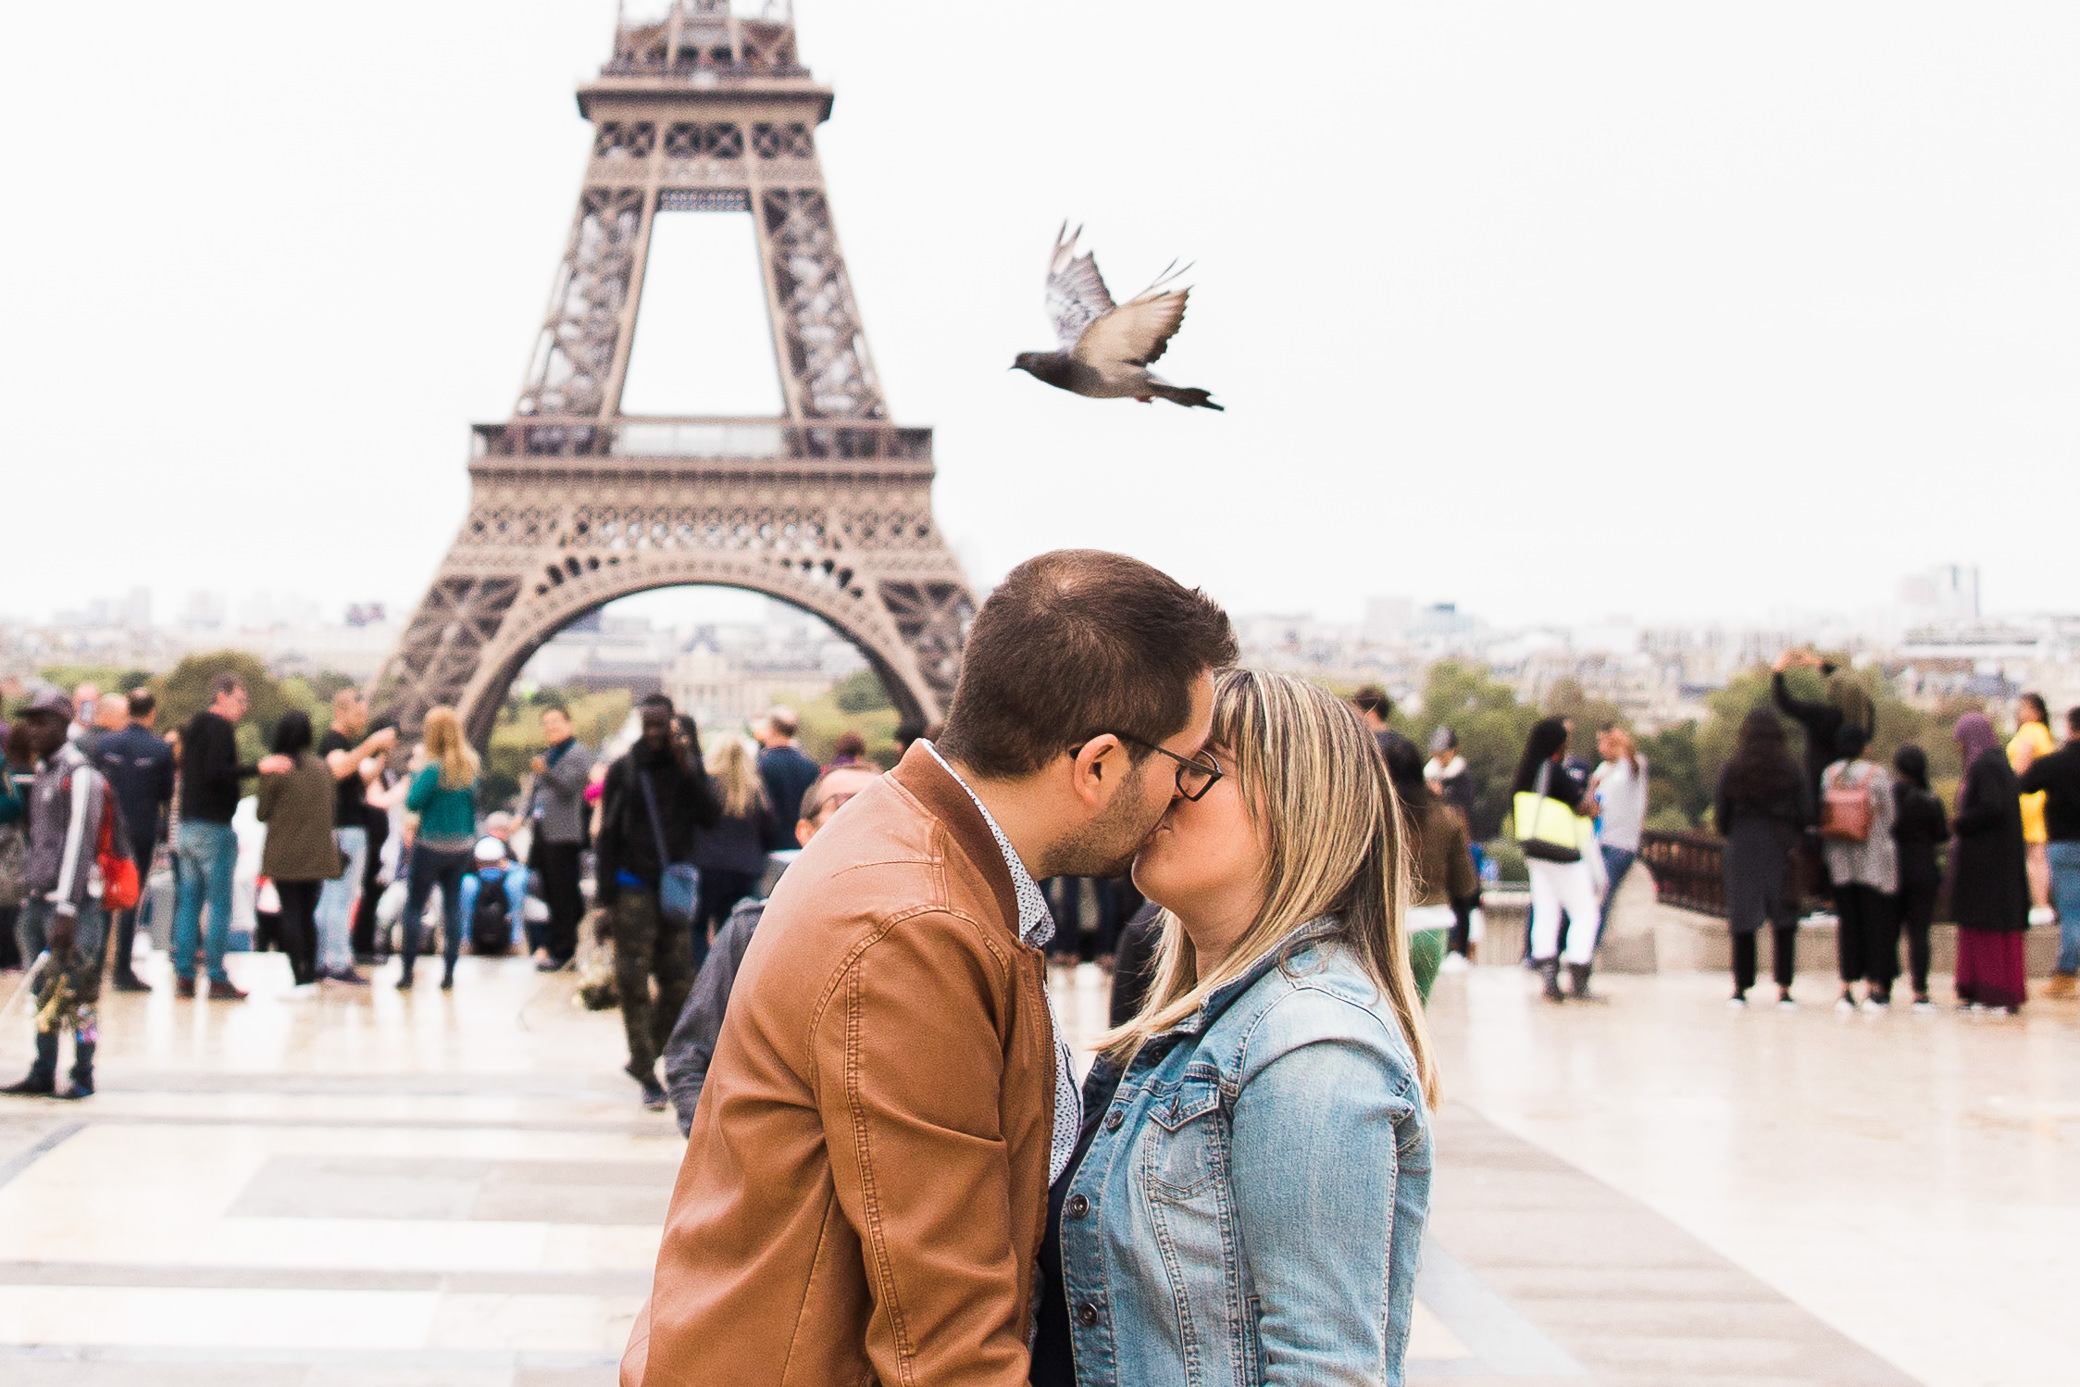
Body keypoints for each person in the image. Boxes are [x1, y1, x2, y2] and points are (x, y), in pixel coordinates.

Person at [624, 549, 1236, 1386]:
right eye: (1188, 763)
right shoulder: (917, 927)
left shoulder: (911, 847)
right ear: (1095, 765)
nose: (1187, 792)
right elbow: (947, 1351)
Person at [1031, 669, 1436, 1387]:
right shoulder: (1195, 1030)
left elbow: (1325, 1370)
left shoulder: (1311, 1046)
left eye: (1197, 771)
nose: (1157, 791)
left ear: (1295, 806)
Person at [663, 762, 881, 1135]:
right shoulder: (753, 931)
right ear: (805, 831)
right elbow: (690, 1055)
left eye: (882, 806)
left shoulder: (932, 938)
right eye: (845, 803)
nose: (864, 817)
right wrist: (724, 1158)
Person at [595, 694, 721, 1111]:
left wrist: (690, 763)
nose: (652, 734)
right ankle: (646, 1066)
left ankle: (648, 1052)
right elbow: (608, 836)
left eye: (659, 727)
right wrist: (604, 901)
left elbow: (710, 816)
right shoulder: (624, 770)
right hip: (632, 886)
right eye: (646, 725)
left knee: (680, 982)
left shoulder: (684, 769)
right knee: (632, 978)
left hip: (672, 887)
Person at [1, 691, 115, 1099]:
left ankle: (83, 1072)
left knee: (80, 992)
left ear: (65, 724)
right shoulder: (45, 770)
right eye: (30, 721)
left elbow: (79, 844)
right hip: (39, 899)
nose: (33, 730)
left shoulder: (80, 774)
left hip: (72, 905)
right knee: (44, 992)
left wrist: (66, 905)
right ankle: (42, 1068)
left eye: (43, 721)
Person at [172, 674, 288, 1001]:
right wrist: (258, 768)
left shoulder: (195, 726)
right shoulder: (220, 729)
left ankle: (183, 973)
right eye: (240, 700)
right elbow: (217, 772)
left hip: (189, 825)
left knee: (189, 902)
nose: (243, 708)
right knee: (220, 904)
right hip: (213, 826)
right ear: (222, 697)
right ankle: (216, 974)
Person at [1715, 709, 1806, 1008]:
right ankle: (1784, 987)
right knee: (1783, 920)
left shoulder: (1734, 768)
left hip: (1743, 846)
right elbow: (1806, 813)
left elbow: (1721, 818)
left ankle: (1741, 987)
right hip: (1780, 846)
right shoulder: (1791, 769)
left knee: (1742, 919)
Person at [1514, 717, 1604, 1002]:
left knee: (1546, 910)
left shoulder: (1525, 771)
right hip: (1561, 851)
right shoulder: (1551, 770)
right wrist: (1592, 795)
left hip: (1534, 849)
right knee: (1585, 912)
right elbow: (1582, 807)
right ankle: (1579, 973)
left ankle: (1548, 977)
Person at [1382, 733, 1475, 1002]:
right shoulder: (1446, 817)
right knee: (1417, 1014)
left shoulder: (1376, 815)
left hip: (1387, 926)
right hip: (1432, 928)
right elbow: (1465, 884)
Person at [93, 689, 174, 993]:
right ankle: (122, 969)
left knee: (102, 892)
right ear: (152, 712)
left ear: (127, 710)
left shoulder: (106, 744)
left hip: (107, 828)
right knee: (129, 896)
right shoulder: (159, 750)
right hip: (140, 830)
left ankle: (97, 961)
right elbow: (165, 794)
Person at [311, 689, 394, 986]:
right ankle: (338, 962)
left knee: (332, 897)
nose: (363, 721)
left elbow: (352, 780)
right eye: (358, 714)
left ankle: (323, 959)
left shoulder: (340, 743)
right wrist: (371, 744)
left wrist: (379, 759)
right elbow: (338, 770)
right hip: (346, 829)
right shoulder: (335, 742)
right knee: (340, 897)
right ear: (342, 711)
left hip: (340, 826)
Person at [1950, 712, 2030, 1013]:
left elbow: (1990, 807)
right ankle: (1990, 993)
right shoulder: (2002, 766)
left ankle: (1992, 993)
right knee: (1994, 928)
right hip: (2002, 863)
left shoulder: (1984, 767)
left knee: (1988, 931)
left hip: (1986, 866)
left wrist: (1960, 823)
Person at [255, 711, 341, 989]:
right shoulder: (322, 768)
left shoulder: (278, 769)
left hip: (284, 851)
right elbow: (333, 808)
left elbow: (262, 812)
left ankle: (298, 972)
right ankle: (310, 970)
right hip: (317, 852)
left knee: (290, 911)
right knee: (307, 912)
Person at [398, 707, 481, 992]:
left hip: (431, 843)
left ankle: (408, 972)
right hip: (461, 845)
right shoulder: (469, 766)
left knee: (414, 907)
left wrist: (414, 774)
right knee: (452, 907)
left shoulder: (432, 768)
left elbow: (412, 801)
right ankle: (449, 973)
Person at [1818, 725, 1899, 1011]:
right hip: (1873, 859)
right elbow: (1890, 815)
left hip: (1840, 859)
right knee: (1875, 923)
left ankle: (1846, 987)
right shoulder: (1876, 774)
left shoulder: (1829, 775)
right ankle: (1874, 986)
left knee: (1848, 924)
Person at [689, 735, 775, 972]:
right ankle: (730, 980)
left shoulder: (706, 785)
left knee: (697, 927)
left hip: (707, 865)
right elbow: (769, 828)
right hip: (745, 868)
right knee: (737, 932)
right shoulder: (755, 788)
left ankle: (703, 974)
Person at [2019, 706, 2080, 999]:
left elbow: (2025, 784)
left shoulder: (2055, 762)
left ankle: (2067, 974)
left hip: (2063, 844)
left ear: (2070, 728)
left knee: (2071, 912)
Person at [525, 703, 593, 970]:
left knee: (563, 892)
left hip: (564, 834)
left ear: (569, 724)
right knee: (551, 892)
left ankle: (564, 950)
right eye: (547, 723)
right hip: (545, 832)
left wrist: (545, 772)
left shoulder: (578, 754)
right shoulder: (550, 755)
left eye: (555, 721)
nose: (550, 727)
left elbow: (568, 789)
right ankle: (557, 946)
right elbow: (536, 793)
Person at [1771, 649, 1877, 814]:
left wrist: (1778, 671)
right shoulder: (1861, 726)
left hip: (1818, 783)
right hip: (1850, 799)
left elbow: (1785, 703)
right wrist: (1819, 664)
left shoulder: (1822, 715)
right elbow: (1852, 688)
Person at [1891, 745, 1949, 1013]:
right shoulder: (1930, 799)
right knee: (1919, 933)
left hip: (1893, 869)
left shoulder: (1892, 796)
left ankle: (1881, 987)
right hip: (1924, 870)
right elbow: (1941, 835)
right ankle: (1920, 990)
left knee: (1888, 931)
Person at [1424, 725, 1483, 968]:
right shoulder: (1428, 776)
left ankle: (1459, 948)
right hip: (1436, 845)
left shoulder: (1462, 777)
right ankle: (1446, 947)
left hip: (1461, 842)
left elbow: (1461, 807)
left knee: (1463, 896)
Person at [1590, 724, 1648, 937]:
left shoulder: (1634, 764)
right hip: (1599, 840)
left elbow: (1632, 761)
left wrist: (1624, 745)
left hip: (1620, 845)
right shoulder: (1603, 769)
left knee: (1602, 895)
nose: (1602, 747)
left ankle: (1587, 949)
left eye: (1607, 742)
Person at [2008, 693, 2058, 925]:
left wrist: (2006, 784)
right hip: (2041, 798)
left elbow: (2021, 764)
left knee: (2034, 855)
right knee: (2039, 854)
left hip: (2029, 798)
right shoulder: (2043, 732)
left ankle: (2040, 904)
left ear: (2036, 711)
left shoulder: (2030, 731)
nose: (2021, 712)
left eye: (2025, 708)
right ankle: (2042, 903)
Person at [752, 706, 819, 828]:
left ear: (772, 730)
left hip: (773, 838)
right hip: (802, 836)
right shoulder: (810, 765)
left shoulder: (761, 764)